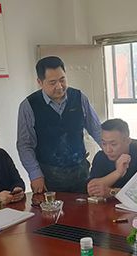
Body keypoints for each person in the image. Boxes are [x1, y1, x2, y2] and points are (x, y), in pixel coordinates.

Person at [17, 56, 102, 194]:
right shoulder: (29, 106)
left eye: (62, 80)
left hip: (80, 172)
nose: (59, 86)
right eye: (52, 82)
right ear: (40, 82)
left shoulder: (79, 97)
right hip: (48, 176)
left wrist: (111, 152)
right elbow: (25, 145)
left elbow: (96, 129)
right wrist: (35, 174)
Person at [87, 119, 137, 198]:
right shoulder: (100, 157)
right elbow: (91, 189)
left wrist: (113, 192)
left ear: (128, 141)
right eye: (104, 143)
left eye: (113, 144)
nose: (108, 150)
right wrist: (118, 172)